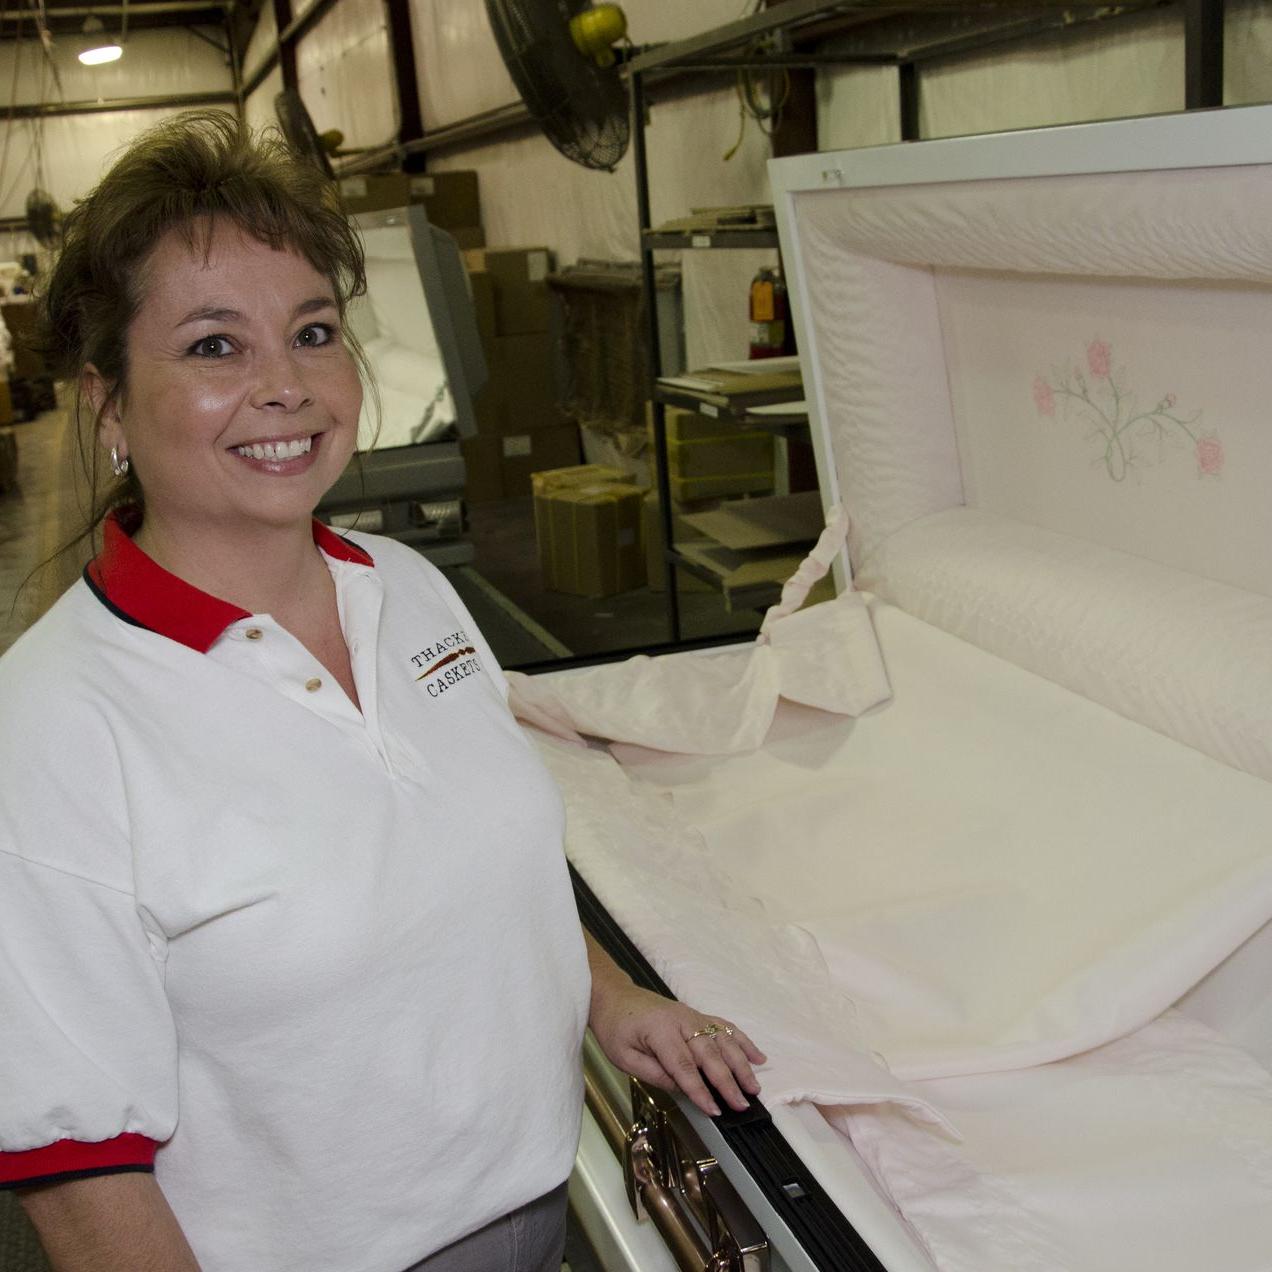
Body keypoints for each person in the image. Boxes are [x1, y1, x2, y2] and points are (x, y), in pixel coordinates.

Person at [0, 112, 765, 1272]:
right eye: (214, 346)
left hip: (536, 1217)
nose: (285, 386)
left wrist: (612, 1001)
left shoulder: (405, 587)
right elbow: (81, 1176)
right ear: (107, 403)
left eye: (313, 332)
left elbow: (480, 862)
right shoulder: (53, 726)